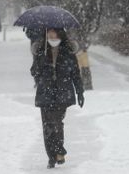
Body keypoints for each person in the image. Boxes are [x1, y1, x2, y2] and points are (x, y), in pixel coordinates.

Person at [30, 28, 84, 169]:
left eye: (54, 32)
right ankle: (51, 157)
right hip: (45, 93)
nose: (51, 35)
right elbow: (34, 72)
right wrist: (39, 60)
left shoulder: (68, 52)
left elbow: (75, 74)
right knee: (47, 126)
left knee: (56, 122)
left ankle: (59, 150)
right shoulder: (42, 50)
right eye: (49, 32)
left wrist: (80, 92)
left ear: (60, 34)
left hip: (62, 92)